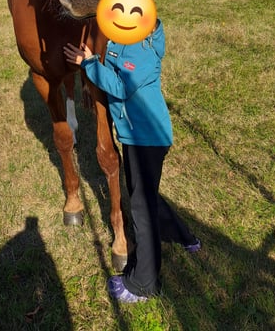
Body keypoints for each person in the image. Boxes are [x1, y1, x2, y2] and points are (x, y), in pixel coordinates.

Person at [63, 19, 201, 304]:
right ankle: (184, 237)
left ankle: (142, 284)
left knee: (141, 207)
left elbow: (120, 86)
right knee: (146, 193)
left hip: (145, 139)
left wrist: (88, 64)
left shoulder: (139, 50)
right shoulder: (130, 41)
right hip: (139, 136)